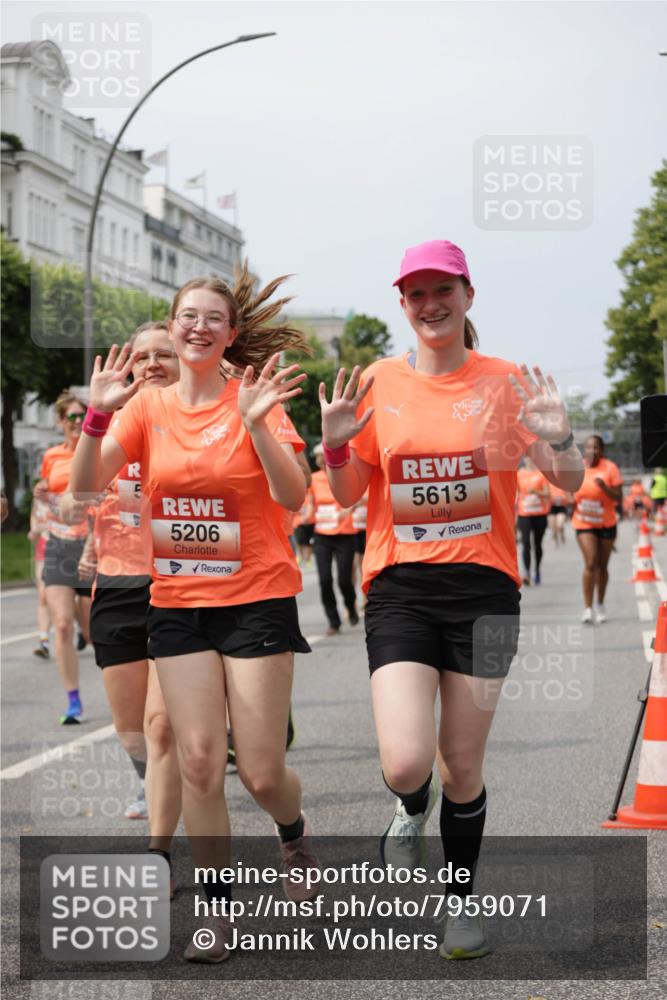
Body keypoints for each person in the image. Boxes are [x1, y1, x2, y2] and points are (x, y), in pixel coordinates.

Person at [318, 240, 584, 960]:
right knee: (408, 763)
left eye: (443, 291)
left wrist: (558, 438)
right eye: (415, 294)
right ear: (401, 304)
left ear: (467, 295)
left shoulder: (505, 383)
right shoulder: (376, 382)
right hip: (399, 589)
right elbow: (344, 494)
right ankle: (408, 811)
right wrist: (335, 447)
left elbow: (567, 481)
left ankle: (459, 905)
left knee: (461, 765)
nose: (429, 305)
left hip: (488, 592)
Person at [70, 265, 320, 963]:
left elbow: (295, 495)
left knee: (263, 773)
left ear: (229, 334)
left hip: (256, 599)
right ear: (173, 327)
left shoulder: (256, 399)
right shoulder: (146, 409)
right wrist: (97, 415)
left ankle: (293, 829)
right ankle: (216, 913)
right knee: (201, 761)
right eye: (188, 316)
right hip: (178, 602)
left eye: (214, 317)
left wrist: (256, 426)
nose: (199, 327)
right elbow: (86, 484)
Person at [79, 322, 182, 838]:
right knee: (131, 730)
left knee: (161, 725)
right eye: (142, 357)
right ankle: (151, 776)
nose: (153, 364)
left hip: (185, 585)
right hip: (119, 584)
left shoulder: (201, 423)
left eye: (165, 353)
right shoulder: (112, 426)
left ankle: (160, 845)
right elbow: (82, 493)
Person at [36, 391, 94, 723]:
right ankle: (73, 700)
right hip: (59, 544)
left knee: (92, 631)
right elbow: (47, 493)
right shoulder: (51, 456)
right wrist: (40, 496)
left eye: (82, 416)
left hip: (91, 546)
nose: (77, 422)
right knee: (60, 624)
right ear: (61, 421)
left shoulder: (96, 451)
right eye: (71, 417)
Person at [571, 434, 623, 624]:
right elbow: (569, 491)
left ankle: (600, 603)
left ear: (602, 450)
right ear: (584, 450)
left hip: (607, 523)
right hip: (584, 523)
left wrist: (604, 488)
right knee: (591, 562)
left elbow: (618, 497)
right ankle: (587, 608)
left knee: (602, 567)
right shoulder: (578, 467)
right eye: (589, 447)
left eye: (596, 447)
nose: (592, 451)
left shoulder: (610, 468)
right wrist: (569, 499)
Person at [311, 442, 359, 635]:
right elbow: (306, 502)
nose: (319, 460)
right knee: (324, 580)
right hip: (322, 535)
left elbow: (356, 494)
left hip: (344, 535)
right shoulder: (313, 479)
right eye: (317, 457)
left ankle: (351, 605)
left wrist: (349, 509)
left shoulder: (342, 475)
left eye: (321, 456)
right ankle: (333, 621)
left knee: (344, 580)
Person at [516, 457, 551, 585]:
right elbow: (516, 493)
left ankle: (537, 569)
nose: (530, 460)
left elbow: (548, 494)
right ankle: (526, 572)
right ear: (524, 459)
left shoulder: (541, 474)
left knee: (537, 545)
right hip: (524, 513)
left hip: (539, 514)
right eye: (527, 457)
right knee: (525, 543)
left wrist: (536, 492)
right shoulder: (520, 474)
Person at [28, 485, 52, 658]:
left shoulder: (65, 486)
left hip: (66, 547)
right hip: (43, 549)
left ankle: (82, 629)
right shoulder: (38, 494)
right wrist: (34, 529)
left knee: (67, 598)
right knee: (43, 595)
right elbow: (35, 516)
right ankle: (44, 641)